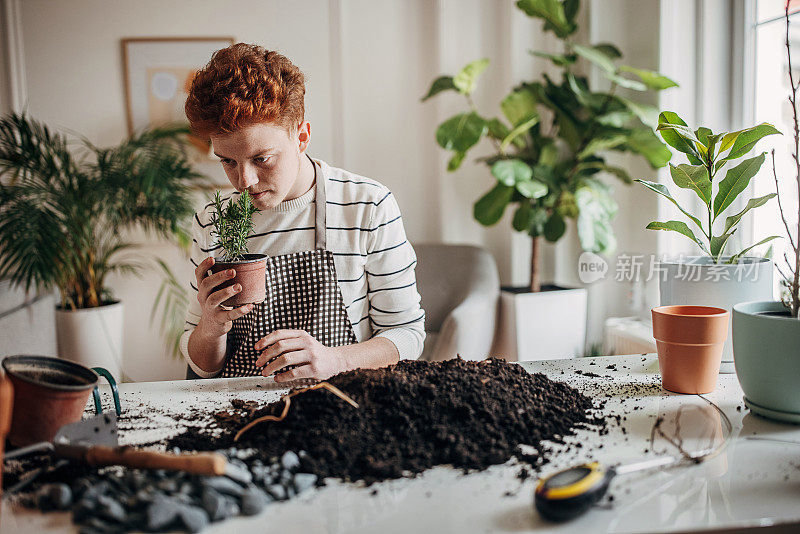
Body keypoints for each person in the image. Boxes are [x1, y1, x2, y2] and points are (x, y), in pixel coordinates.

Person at [180, 44, 425, 381]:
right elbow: (202, 367)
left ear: (302, 137)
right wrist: (210, 327)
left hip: (340, 405)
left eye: (262, 158)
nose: (244, 181)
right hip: (239, 413)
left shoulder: (368, 206)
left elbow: (408, 336)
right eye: (227, 161)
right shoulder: (213, 222)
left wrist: (334, 361)